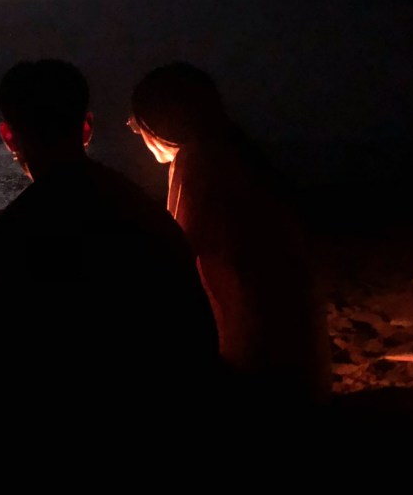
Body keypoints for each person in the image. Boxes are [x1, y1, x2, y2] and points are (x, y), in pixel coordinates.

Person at [0, 59, 220, 483]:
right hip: (174, 435)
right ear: (86, 127)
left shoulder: (13, 236)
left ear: (8, 135)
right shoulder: (144, 214)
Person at [128, 62, 332, 429]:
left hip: (258, 372)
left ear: (156, 122)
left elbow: (176, 257)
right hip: (303, 361)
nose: (137, 132)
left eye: (136, 123)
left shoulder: (197, 160)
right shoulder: (243, 154)